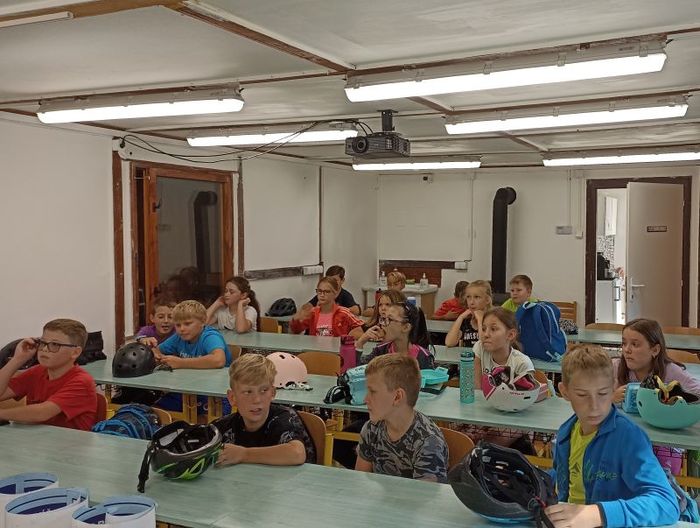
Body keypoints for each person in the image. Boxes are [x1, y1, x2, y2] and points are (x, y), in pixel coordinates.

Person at [546, 344, 681, 528]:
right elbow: (567, 473)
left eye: (602, 393)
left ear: (613, 388)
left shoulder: (629, 438)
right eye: (582, 395)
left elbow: (667, 504)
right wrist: (532, 479)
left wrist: (598, 514)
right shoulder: (566, 432)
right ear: (564, 392)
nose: (594, 406)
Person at [355, 354, 448, 482]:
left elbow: (425, 494)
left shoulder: (428, 442)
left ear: (397, 397)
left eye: (373, 392)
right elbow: (360, 483)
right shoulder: (371, 429)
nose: (366, 399)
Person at [214, 353, 315, 466]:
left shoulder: (285, 417)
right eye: (248, 392)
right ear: (232, 398)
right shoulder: (224, 426)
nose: (257, 400)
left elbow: (297, 454)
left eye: (263, 391)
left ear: (272, 393)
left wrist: (244, 454)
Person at [0, 319, 96, 431]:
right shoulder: (38, 371)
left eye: (55, 344)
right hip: (38, 437)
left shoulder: (82, 381)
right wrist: (17, 359)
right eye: (42, 343)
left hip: (70, 441)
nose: (45, 349)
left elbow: (42, 413)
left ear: (75, 352)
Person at [613, 318, 700, 402]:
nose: (626, 350)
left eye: (635, 344)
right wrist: (611, 398)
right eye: (624, 343)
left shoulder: (671, 371)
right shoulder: (614, 367)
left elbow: (698, 392)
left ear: (655, 350)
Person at [154, 300, 232, 369]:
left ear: (203, 321)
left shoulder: (210, 336)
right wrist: (159, 357)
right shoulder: (179, 337)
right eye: (178, 325)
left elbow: (218, 360)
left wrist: (181, 363)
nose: (182, 329)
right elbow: (157, 350)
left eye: (187, 324)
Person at [360, 301, 435, 369]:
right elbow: (358, 372)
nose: (383, 324)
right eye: (384, 319)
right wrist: (360, 342)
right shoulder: (381, 351)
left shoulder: (423, 357)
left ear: (406, 327)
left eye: (389, 319)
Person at [289, 276, 364, 338]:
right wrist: (296, 319)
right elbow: (295, 331)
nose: (322, 295)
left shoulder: (344, 313)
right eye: (319, 291)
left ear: (335, 294)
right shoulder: (312, 313)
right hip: (315, 349)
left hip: (336, 350)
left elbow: (360, 329)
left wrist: (353, 335)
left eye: (327, 292)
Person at [445, 280, 493, 348]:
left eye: (476, 297)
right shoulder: (466, 321)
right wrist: (460, 317)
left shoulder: (493, 320)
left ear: (487, 300)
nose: (471, 302)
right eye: (468, 297)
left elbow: (484, 346)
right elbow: (449, 343)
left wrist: (480, 320)